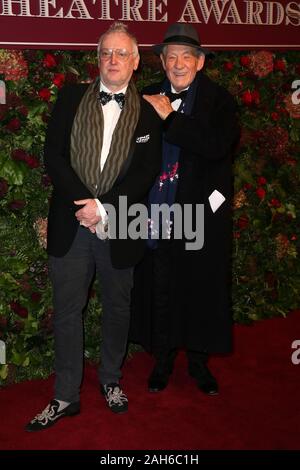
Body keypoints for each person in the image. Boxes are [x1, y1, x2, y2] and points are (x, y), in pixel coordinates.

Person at [25, 22, 162, 432]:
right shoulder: (69, 98)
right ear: (97, 58)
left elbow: (145, 173)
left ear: (136, 62)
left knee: (118, 307)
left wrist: (103, 207)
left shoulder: (151, 112)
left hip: (121, 222)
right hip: (71, 220)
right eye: (106, 53)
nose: (113, 60)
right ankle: (66, 394)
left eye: (122, 53)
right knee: (68, 310)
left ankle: (111, 380)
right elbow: (54, 156)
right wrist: (83, 205)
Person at [130, 23, 239, 395]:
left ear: (201, 62)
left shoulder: (220, 100)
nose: (178, 64)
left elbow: (216, 146)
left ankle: (198, 363)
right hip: (155, 210)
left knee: (199, 285)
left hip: (201, 214)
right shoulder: (144, 96)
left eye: (186, 57)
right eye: (171, 57)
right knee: (160, 284)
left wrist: (171, 118)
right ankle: (162, 360)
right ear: (161, 61)